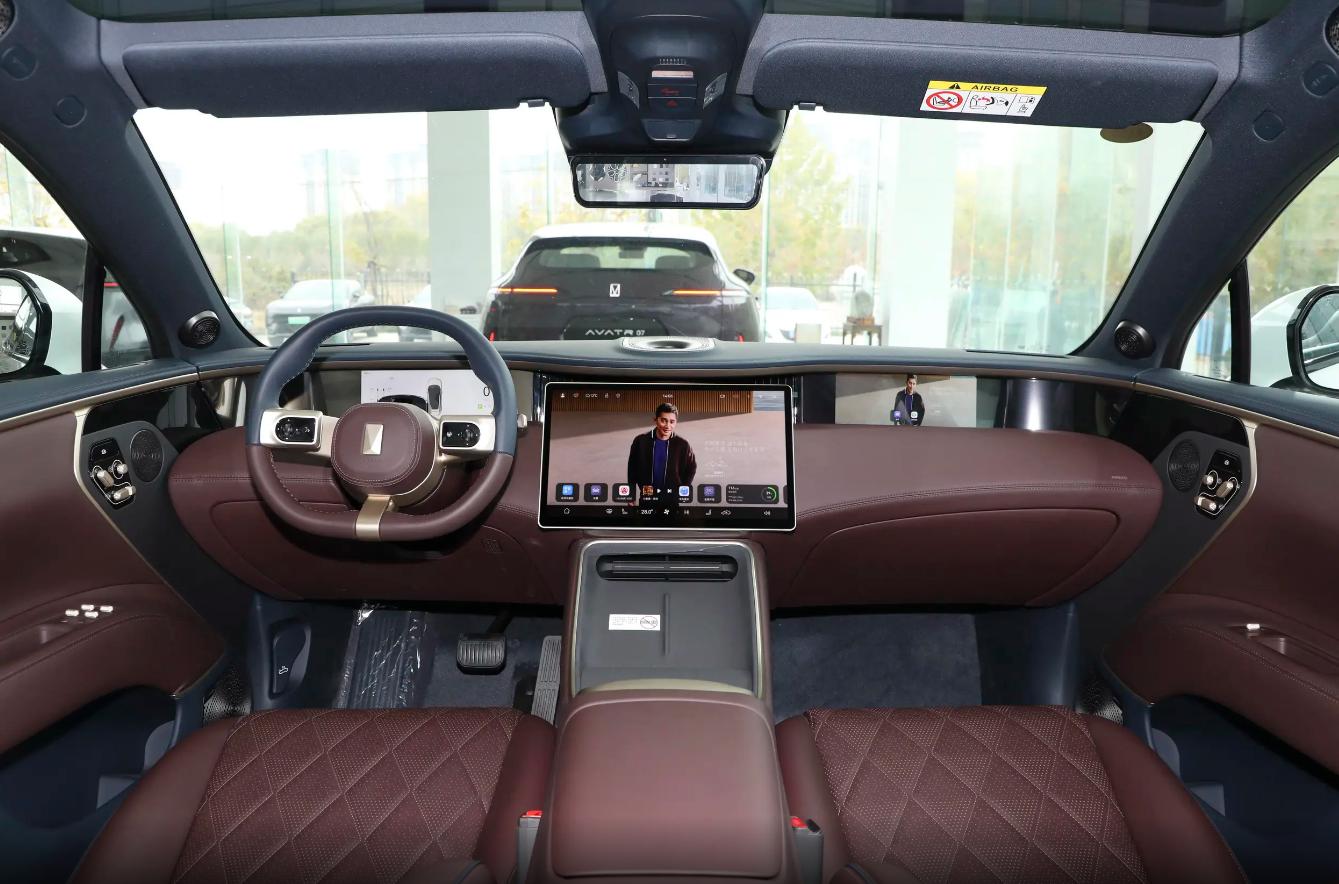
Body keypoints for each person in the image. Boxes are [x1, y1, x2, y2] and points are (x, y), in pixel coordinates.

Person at [628, 402, 697, 494]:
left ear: (676, 422)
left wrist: (682, 488)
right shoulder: (640, 441)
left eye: (672, 422)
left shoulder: (683, 444)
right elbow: (632, 468)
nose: (668, 426)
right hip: (648, 494)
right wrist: (631, 494)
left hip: (673, 496)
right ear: (655, 420)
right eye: (663, 421)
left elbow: (691, 467)